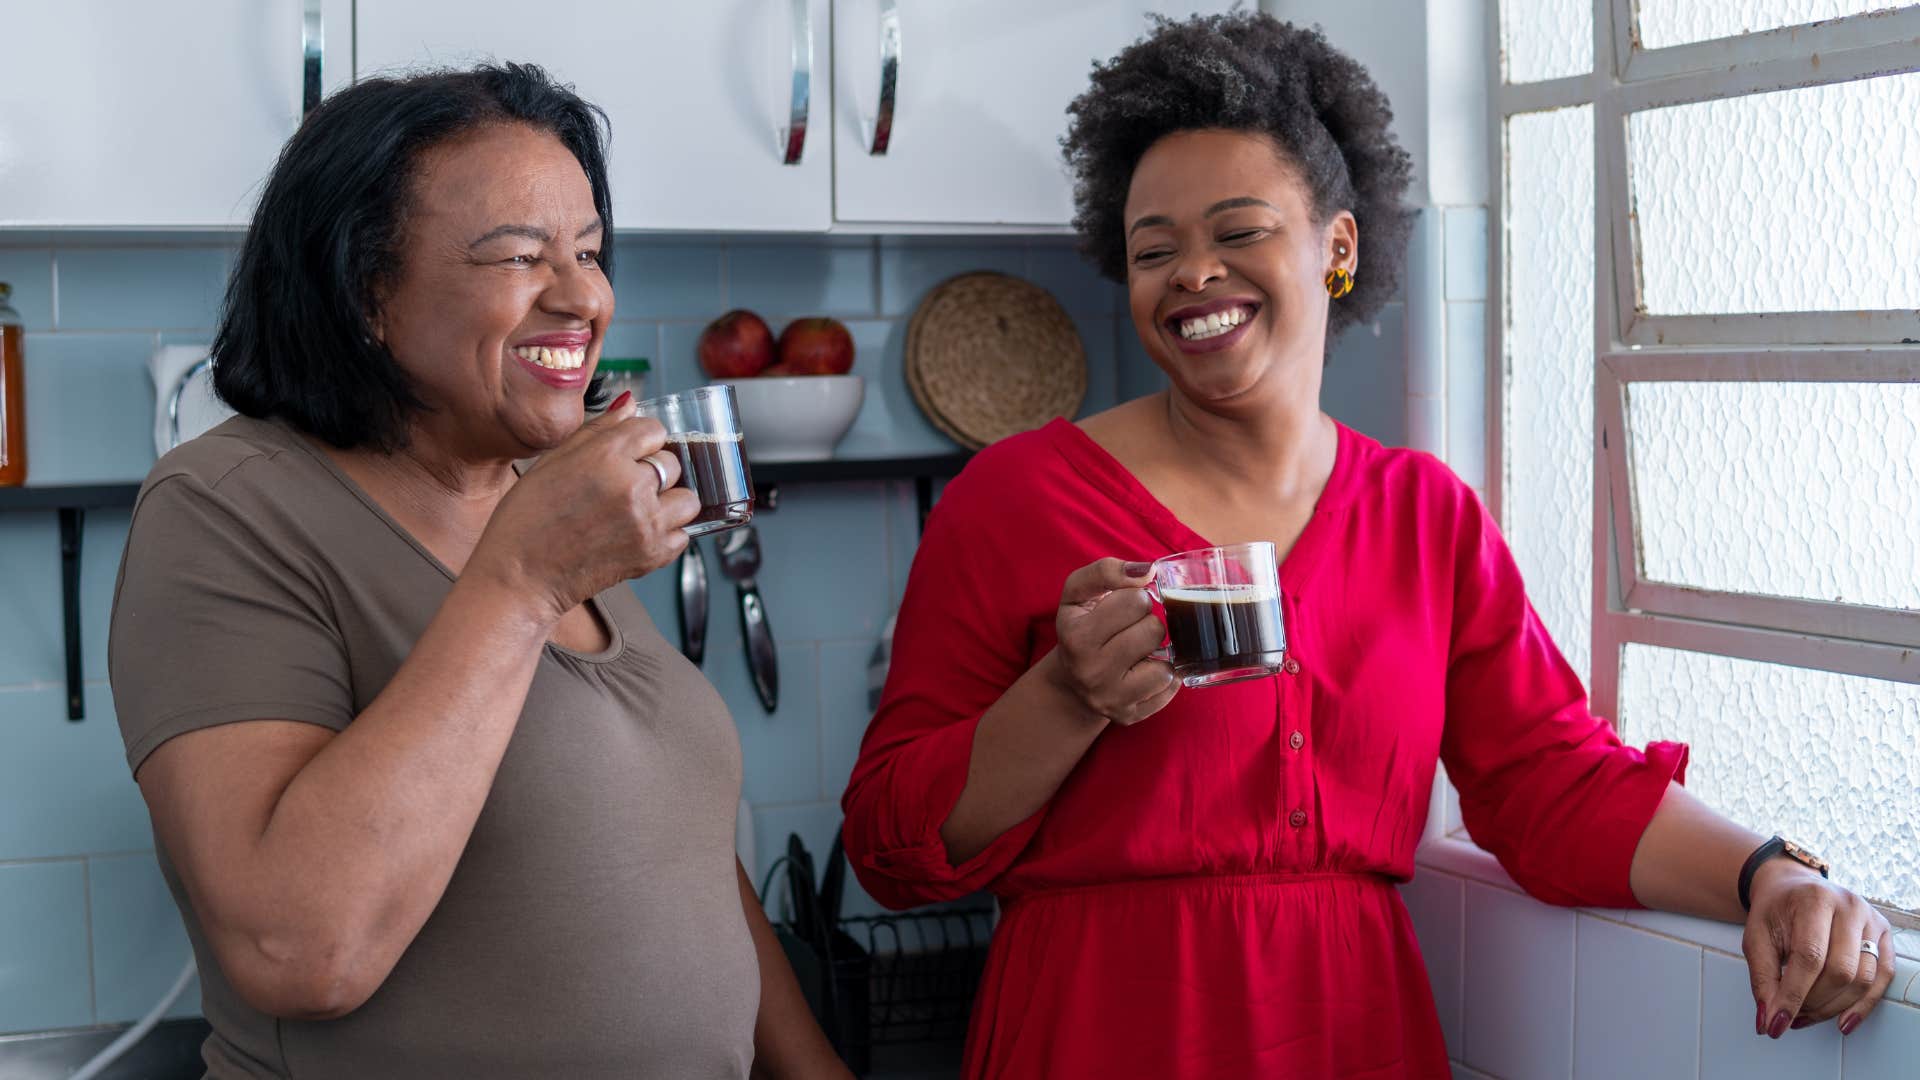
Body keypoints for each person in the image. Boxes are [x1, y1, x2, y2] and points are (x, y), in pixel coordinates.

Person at [839, 14, 1897, 1078]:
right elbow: (890, 841)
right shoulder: (1015, 499)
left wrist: (1770, 874)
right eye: (1154, 249)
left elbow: (1552, 783)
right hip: (1093, 1032)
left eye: (1237, 231)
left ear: (1336, 247)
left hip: (1351, 1033)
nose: (1193, 275)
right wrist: (1067, 697)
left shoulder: (1425, 519)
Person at [108, 64, 848, 1080]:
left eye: (588, 251)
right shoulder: (227, 505)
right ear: (368, 289)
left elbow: (673, 859)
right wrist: (523, 582)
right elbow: (298, 951)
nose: (583, 294)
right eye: (519, 256)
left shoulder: (542, 494)